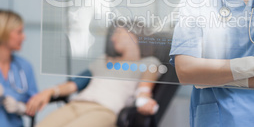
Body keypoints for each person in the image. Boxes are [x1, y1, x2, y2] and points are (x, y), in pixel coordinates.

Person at [28, 20, 161, 127]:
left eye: (118, 33)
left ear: (134, 35)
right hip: (76, 105)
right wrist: (50, 91)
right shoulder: (102, 60)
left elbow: (144, 89)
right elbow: (73, 85)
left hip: (104, 110)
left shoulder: (149, 63)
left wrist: (143, 101)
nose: (113, 39)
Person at [0, 10, 38, 127]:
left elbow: (35, 105)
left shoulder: (25, 67)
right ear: (3, 32)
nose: (24, 37)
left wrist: (20, 108)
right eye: (19, 32)